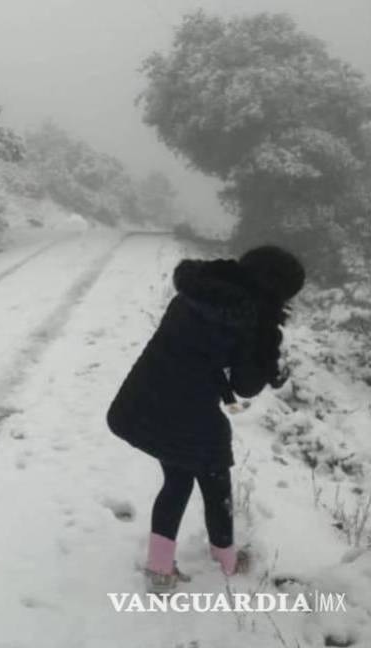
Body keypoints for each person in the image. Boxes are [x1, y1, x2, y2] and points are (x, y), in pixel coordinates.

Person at [106, 246, 305, 593]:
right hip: (188, 412)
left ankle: (163, 566)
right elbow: (246, 386)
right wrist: (268, 357)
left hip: (145, 396)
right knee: (215, 484)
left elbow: (198, 348)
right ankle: (224, 561)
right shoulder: (252, 321)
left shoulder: (198, 288)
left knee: (178, 480)